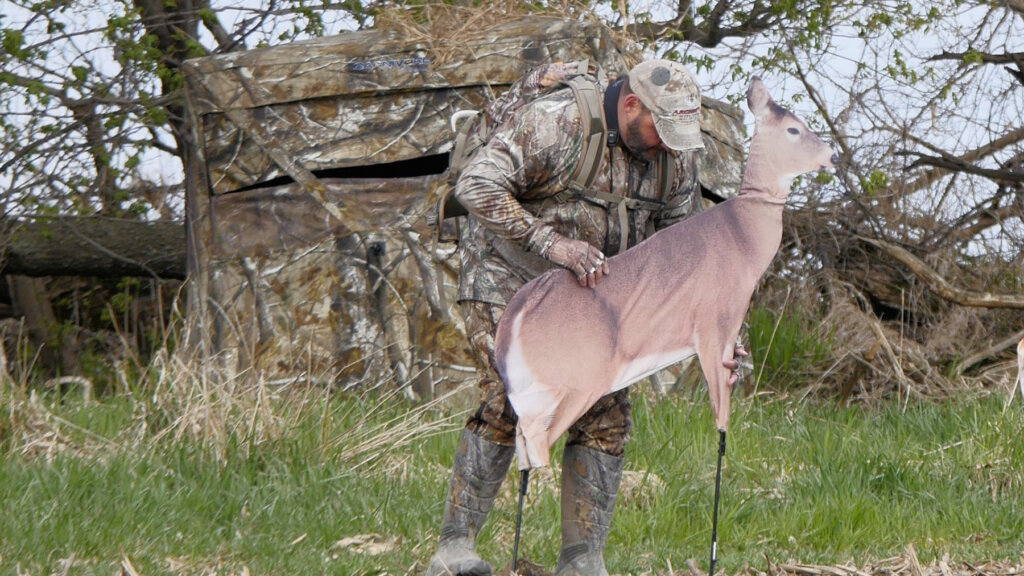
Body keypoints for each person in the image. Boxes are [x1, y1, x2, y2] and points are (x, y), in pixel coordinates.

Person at [424, 59, 708, 576]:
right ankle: (454, 550)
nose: (670, 143)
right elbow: (476, 187)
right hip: (509, 274)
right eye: (660, 130)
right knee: (510, 399)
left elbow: (680, 252)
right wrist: (552, 244)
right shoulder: (557, 124)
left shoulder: (677, 158)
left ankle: (581, 561)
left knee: (604, 412)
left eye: (678, 134)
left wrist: (710, 330)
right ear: (630, 106)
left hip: (595, 293)